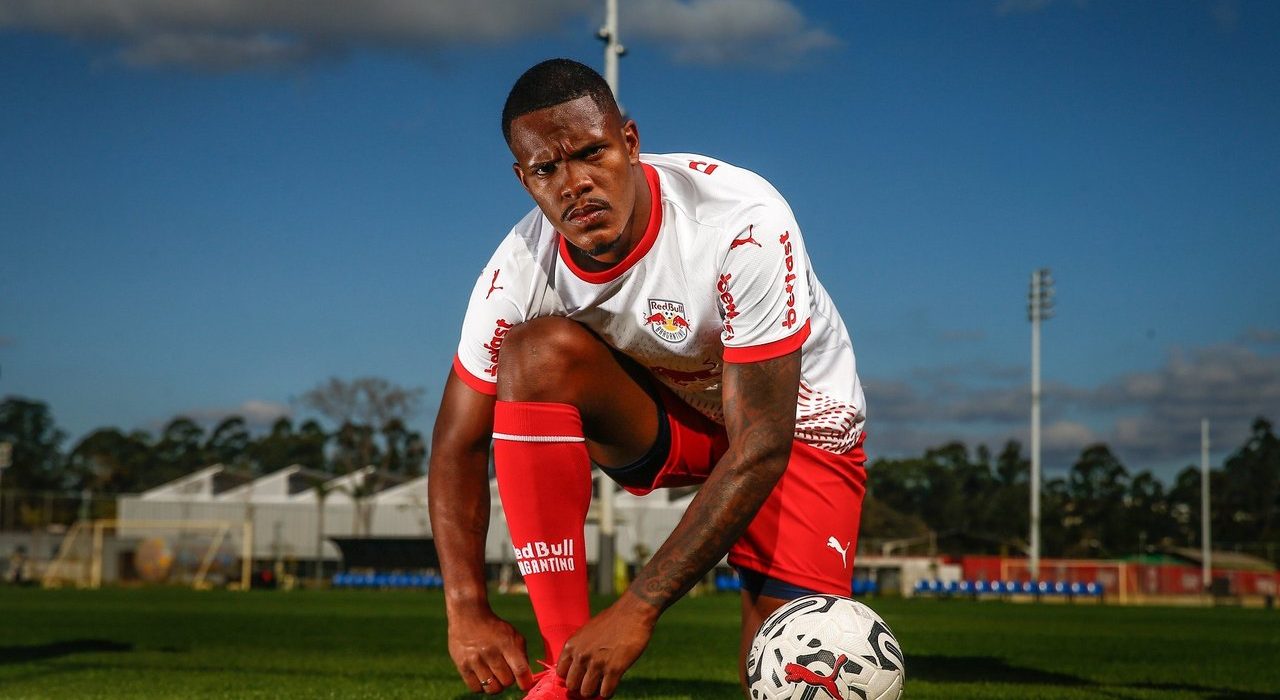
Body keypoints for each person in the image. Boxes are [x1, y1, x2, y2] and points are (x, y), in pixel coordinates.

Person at [428, 58, 868, 700]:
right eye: (547, 169)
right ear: (524, 179)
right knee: (534, 354)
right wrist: (466, 607)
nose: (575, 184)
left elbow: (761, 444)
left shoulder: (742, 223)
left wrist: (637, 608)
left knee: (789, 667)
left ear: (630, 143)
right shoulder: (517, 270)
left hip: (796, 428)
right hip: (669, 416)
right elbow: (457, 441)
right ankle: (566, 676)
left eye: (591, 153)